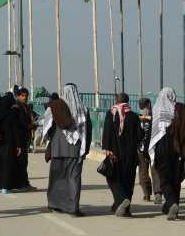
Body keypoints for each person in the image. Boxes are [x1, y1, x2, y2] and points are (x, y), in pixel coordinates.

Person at [43, 84, 92, 217]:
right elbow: (88, 132)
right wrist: (86, 149)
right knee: (74, 178)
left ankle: (55, 204)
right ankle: (73, 208)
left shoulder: (54, 107)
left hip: (57, 148)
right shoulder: (83, 109)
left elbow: (46, 127)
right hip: (75, 149)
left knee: (57, 177)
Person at [149, 87, 185, 221]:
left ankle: (172, 203)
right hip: (178, 150)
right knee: (176, 179)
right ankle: (172, 208)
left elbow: (154, 133)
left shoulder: (157, 110)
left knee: (164, 179)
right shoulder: (180, 109)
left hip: (162, 149)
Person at [102, 93, 142, 217]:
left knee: (112, 178)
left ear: (116, 101)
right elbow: (140, 135)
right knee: (128, 181)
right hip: (130, 154)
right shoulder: (134, 116)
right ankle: (126, 209)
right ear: (127, 102)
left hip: (114, 154)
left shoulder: (111, 114)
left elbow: (107, 132)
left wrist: (107, 148)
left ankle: (121, 198)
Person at [137, 98, 162, 204]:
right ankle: (158, 193)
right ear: (148, 104)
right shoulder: (155, 116)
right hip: (153, 147)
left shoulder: (137, 117)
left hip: (141, 148)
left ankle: (147, 194)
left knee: (143, 171)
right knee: (155, 170)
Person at [0, 93, 19, 194]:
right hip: (8, 142)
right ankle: (5, 186)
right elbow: (15, 129)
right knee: (7, 165)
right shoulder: (12, 113)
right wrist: (18, 145)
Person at [13, 88, 36, 191]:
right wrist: (30, 126)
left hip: (25, 138)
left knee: (24, 162)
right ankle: (22, 184)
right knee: (21, 162)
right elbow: (18, 125)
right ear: (18, 96)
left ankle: (24, 183)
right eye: (22, 95)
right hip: (19, 138)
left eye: (26, 95)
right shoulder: (16, 107)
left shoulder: (26, 107)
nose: (25, 97)